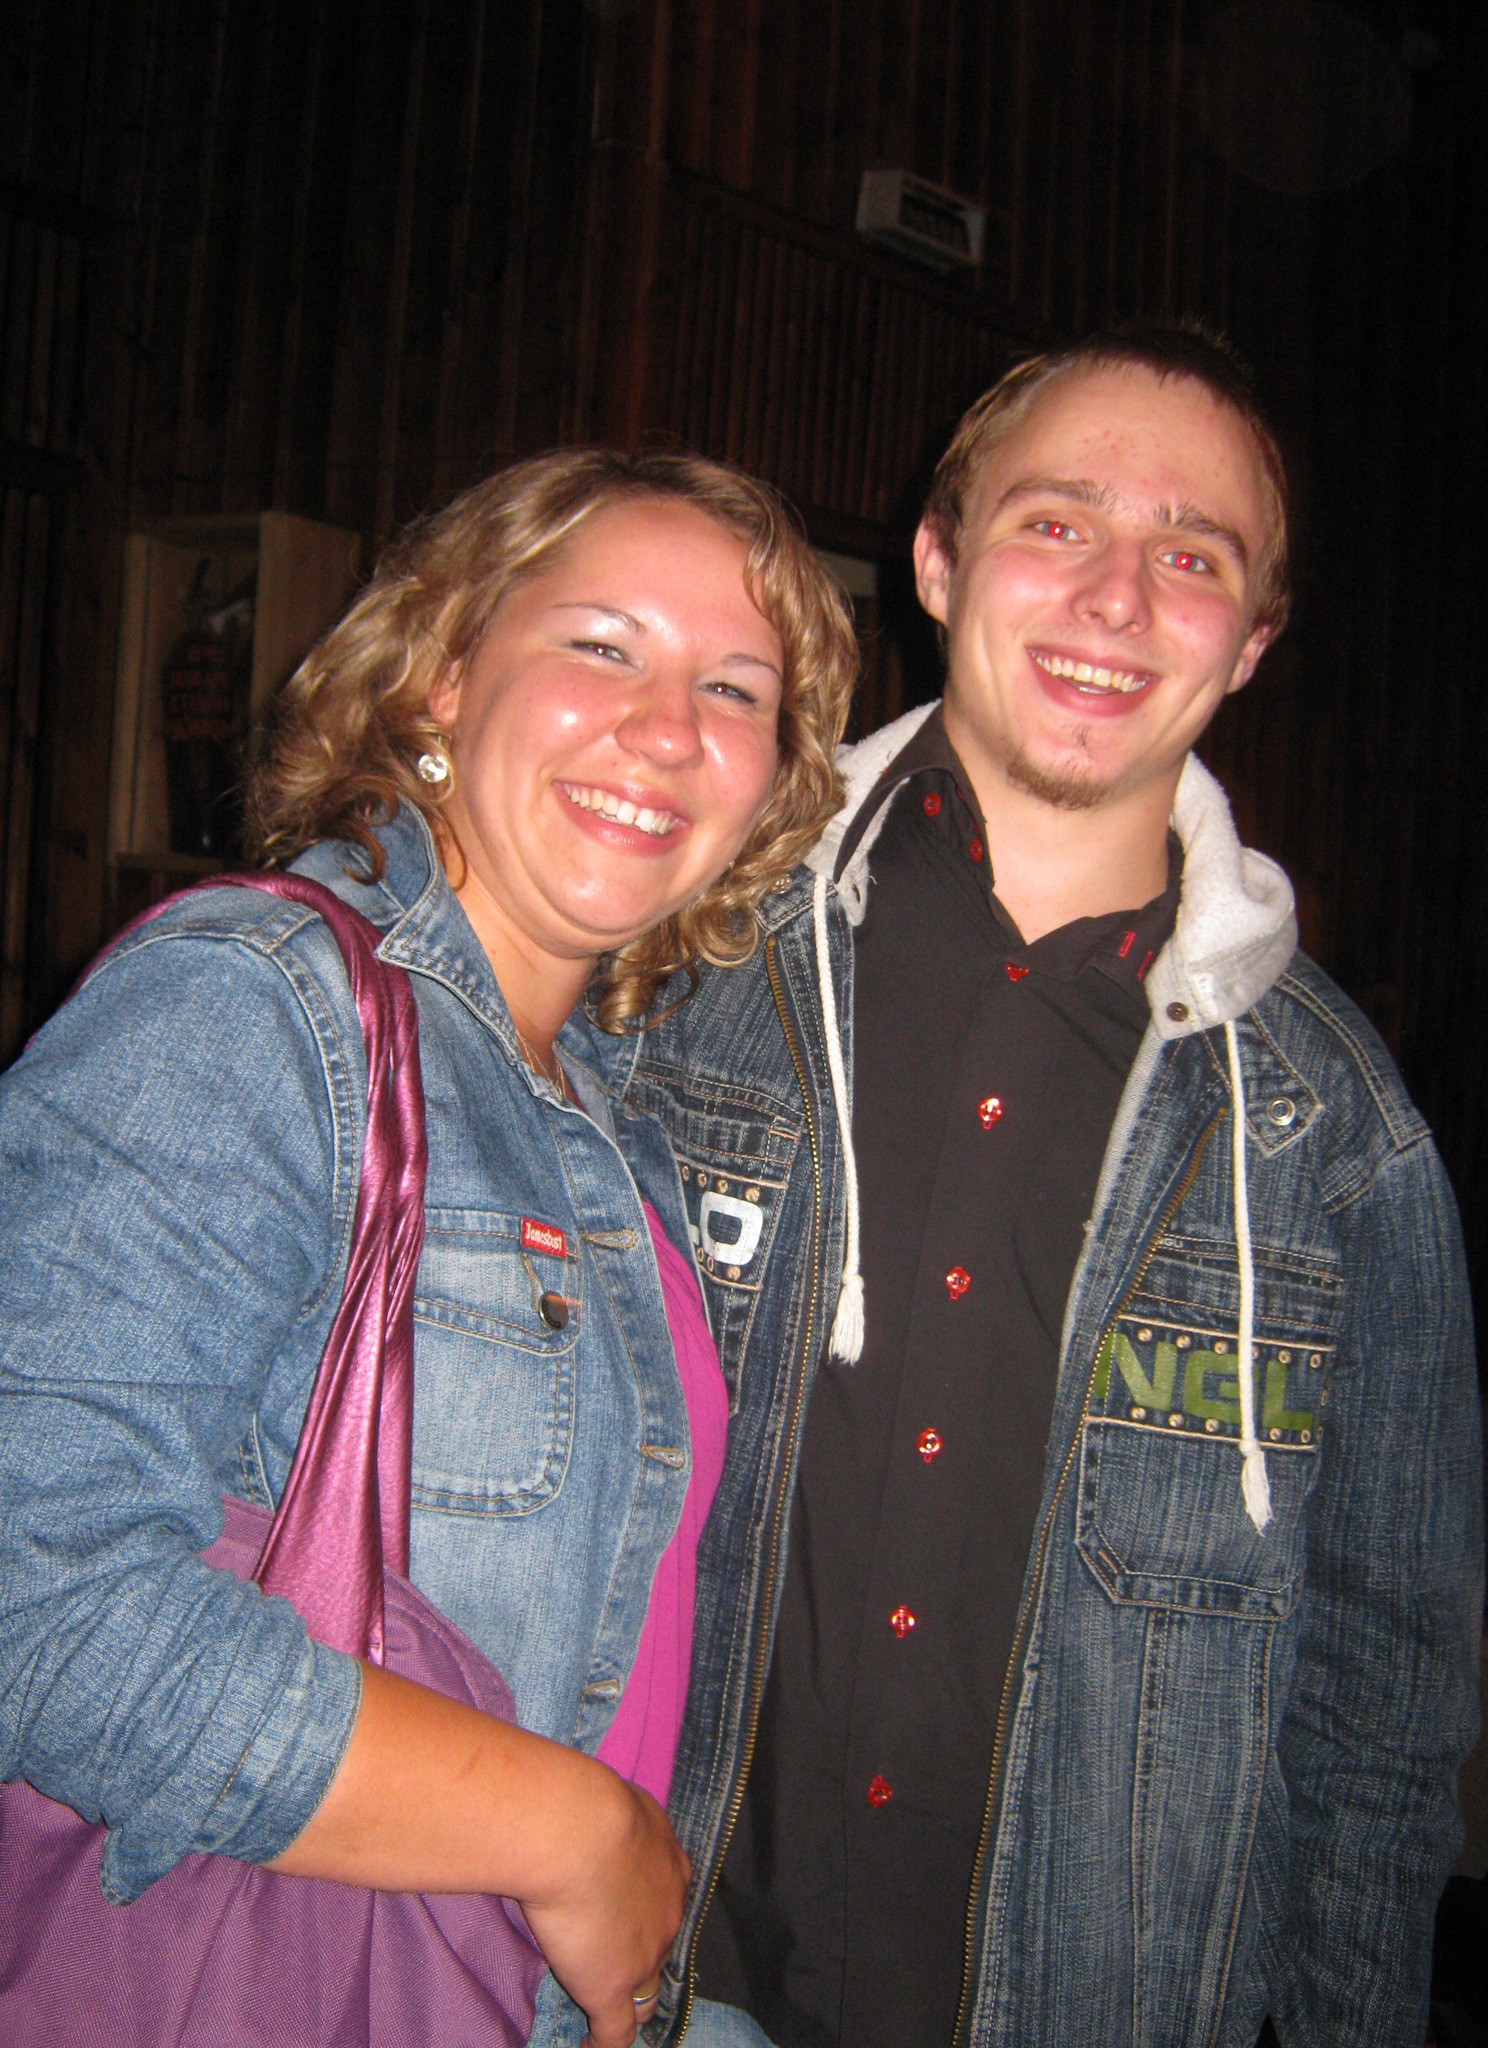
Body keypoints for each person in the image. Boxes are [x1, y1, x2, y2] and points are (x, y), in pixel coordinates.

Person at [621, 327, 1484, 2047]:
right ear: (938, 563)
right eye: (1057, 523)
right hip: (660, 1989)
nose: (1117, 599)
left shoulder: (1338, 1135)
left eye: (1193, 558)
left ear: (1253, 641)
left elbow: (1382, 1712)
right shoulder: (684, 969)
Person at [0, 450, 856, 2048]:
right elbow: (32, 1601)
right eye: (602, 646)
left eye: (736, 691)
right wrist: (571, 1834)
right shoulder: (254, 1004)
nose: (670, 730)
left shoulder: (610, 1112)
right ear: (442, 675)